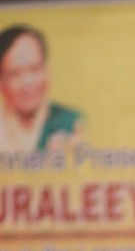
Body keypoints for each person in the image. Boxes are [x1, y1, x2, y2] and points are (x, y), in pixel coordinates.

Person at [0, 25, 81, 155]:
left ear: (47, 71)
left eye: (35, 69)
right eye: (15, 74)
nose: (27, 83)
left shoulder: (72, 123)